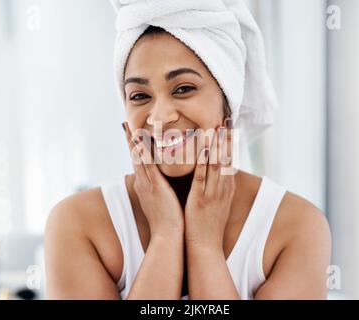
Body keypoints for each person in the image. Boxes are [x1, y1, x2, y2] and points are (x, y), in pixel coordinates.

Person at [44, 1, 331, 300]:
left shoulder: (296, 228)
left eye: (183, 89)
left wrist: (204, 243)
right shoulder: (77, 224)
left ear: (227, 96)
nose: (159, 117)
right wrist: (166, 235)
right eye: (140, 95)